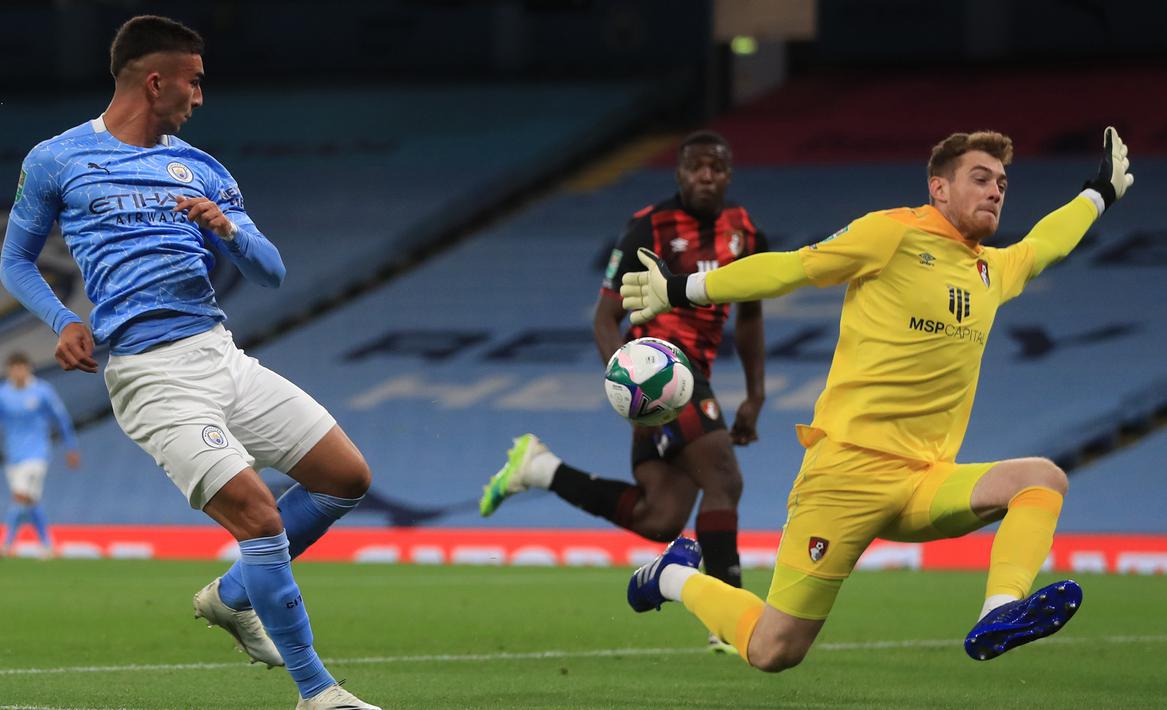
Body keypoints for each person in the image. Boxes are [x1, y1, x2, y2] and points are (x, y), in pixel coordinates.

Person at [619, 127, 1133, 669]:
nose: (996, 191)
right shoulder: (892, 233)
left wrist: (1098, 193)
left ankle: (999, 611)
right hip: (845, 475)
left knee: (1042, 479)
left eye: (1002, 182)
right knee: (774, 651)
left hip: (924, 481)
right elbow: (791, 267)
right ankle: (672, 575)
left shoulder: (991, 269)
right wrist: (680, 289)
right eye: (980, 179)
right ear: (939, 188)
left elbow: (1047, 243)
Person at [1, 15, 378, 709]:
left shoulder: (202, 169)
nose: (200, 96)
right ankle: (316, 692)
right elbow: (15, 261)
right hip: (152, 377)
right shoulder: (57, 160)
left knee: (345, 477)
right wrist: (63, 320)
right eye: (194, 81)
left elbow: (270, 272)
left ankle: (235, 596)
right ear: (155, 81)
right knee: (260, 518)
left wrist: (227, 229)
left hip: (220, 355)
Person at [479, 130, 767, 653]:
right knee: (724, 476)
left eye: (716, 167)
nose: (706, 176)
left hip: (692, 373)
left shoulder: (744, 231)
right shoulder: (648, 226)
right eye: (695, 167)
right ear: (679, 173)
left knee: (660, 516)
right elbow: (605, 317)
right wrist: (627, 380)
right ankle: (729, 617)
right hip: (660, 369)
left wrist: (756, 393)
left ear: (728, 174)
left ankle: (539, 468)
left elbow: (749, 319)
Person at [0, 351, 80, 558]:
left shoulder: (42, 391)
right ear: (8, 372)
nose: (18, 372)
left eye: (22, 367)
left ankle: (5, 545)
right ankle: (47, 545)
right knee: (28, 501)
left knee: (20, 495)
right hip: (13, 455)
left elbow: (62, 419)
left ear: (29, 368)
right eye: (14, 369)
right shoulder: (1, 393)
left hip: (37, 454)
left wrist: (71, 447)